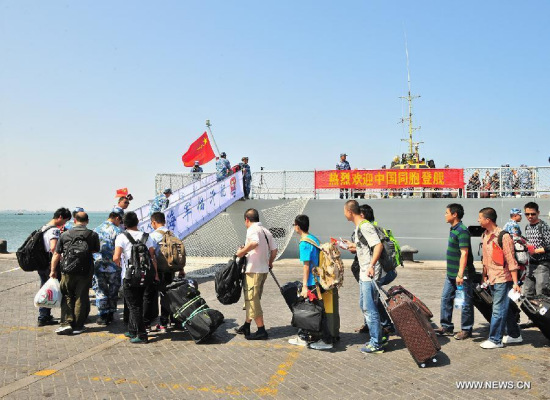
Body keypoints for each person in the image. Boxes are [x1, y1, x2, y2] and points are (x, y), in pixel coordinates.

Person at [342, 200, 386, 354]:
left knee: (369, 307)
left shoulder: (365, 226)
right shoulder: (359, 227)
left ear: (349, 211)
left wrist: (372, 265)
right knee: (365, 305)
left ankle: (376, 343)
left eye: (344, 210)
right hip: (364, 272)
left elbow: (378, 245)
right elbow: (363, 247)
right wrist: (350, 245)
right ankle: (378, 337)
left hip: (369, 273)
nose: (344, 213)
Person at [288, 214, 338, 350]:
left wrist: (304, 286)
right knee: (311, 309)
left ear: (297, 226)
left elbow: (306, 265)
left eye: (294, 225)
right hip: (319, 280)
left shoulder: (304, 243)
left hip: (311, 282)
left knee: (313, 311)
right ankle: (305, 336)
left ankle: (325, 340)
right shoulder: (313, 238)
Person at [478, 207, 522, 349]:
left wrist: (516, 283)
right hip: (492, 277)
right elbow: (485, 259)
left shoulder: (503, 236)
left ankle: (495, 339)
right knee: (505, 307)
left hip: (504, 278)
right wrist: (484, 276)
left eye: (480, 218)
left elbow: (511, 261)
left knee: (497, 309)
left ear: (487, 220)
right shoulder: (484, 235)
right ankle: (515, 335)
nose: (478, 220)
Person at [50, 212, 100, 335]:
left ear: (74, 220)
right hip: (85, 270)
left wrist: (52, 271)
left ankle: (66, 323)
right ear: (87, 221)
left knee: (67, 295)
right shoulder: (92, 234)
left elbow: (56, 254)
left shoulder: (65, 234)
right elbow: (95, 250)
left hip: (67, 269)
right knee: (81, 297)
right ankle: (78, 326)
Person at [114, 211, 159, 344]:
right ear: (137, 222)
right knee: (138, 303)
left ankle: (142, 334)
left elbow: (116, 257)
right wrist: (155, 274)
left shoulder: (121, 237)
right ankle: (132, 330)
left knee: (133, 306)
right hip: (145, 275)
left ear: (124, 223)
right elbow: (152, 256)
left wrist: (120, 264)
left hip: (129, 275)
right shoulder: (146, 236)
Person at [235, 208, 278, 340]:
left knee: (252, 300)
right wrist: (269, 262)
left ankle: (261, 330)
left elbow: (254, 243)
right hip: (263, 270)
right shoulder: (266, 231)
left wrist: (241, 253)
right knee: (252, 298)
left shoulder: (252, 229)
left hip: (253, 270)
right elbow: (274, 250)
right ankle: (247, 325)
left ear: (247, 220)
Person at [435, 203, 475, 340]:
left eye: (447, 212)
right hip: (450, 273)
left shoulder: (462, 230)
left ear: (454, 214)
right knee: (446, 298)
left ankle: (466, 329)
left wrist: (460, 274)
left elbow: (464, 254)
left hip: (462, 275)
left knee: (464, 302)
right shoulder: (453, 229)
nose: (445, 215)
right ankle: (446, 326)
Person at [149, 212, 185, 332]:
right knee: (171, 294)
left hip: (160, 270)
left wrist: (155, 274)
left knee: (162, 296)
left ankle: (163, 322)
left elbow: (152, 255)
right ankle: (174, 319)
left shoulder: (153, 236)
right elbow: (178, 253)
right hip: (172, 269)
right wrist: (181, 269)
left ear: (154, 222)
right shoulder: (172, 233)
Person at [37, 207, 72, 327]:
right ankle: (43, 316)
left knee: (45, 287)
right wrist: (61, 259)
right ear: (60, 217)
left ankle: (44, 314)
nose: (65, 224)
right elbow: (53, 248)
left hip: (42, 263)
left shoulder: (44, 227)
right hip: (50, 263)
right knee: (50, 289)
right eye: (65, 220)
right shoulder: (54, 231)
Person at [92, 207, 124, 325]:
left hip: (98, 266)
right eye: (120, 221)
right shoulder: (118, 231)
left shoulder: (96, 230)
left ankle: (102, 315)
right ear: (116, 218)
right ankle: (111, 313)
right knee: (113, 290)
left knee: (100, 291)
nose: (120, 223)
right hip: (114, 266)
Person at [522, 202, 550, 299]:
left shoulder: (543, 226)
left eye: (533, 214)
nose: (530, 216)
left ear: (538, 213)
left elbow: (549, 246)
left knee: (541, 293)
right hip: (531, 264)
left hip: (542, 264)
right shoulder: (527, 227)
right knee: (527, 293)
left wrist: (536, 251)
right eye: (527, 214)